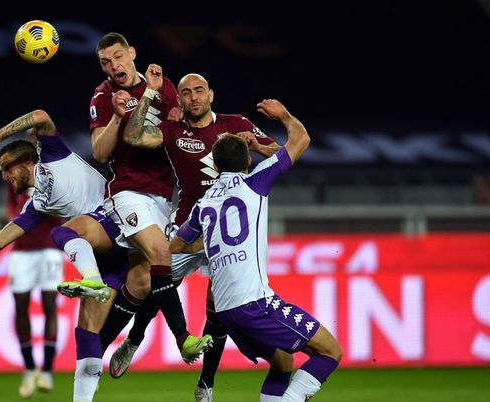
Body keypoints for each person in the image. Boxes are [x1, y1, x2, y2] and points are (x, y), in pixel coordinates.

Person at [0, 109, 128, 402]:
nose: (4, 176)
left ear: (27, 161)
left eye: (6, 168)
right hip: (105, 255)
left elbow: (41, 116)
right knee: (87, 336)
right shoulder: (37, 205)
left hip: (120, 227)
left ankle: (133, 336)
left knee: (65, 236)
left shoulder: (54, 154)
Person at [112, 68, 279, 399]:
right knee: (158, 283)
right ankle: (134, 338)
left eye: (199, 91)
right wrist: (148, 95)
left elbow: (276, 151)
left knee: (216, 307)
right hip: (188, 226)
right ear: (181, 100)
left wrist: (256, 146)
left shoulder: (237, 124)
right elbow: (132, 137)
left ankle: (206, 384)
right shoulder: (173, 129)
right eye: (186, 93)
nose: (193, 97)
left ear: (211, 94)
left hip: (228, 235)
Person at [170, 101, 343, 402]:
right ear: (247, 161)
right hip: (255, 303)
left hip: (225, 312)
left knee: (283, 362)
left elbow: (177, 245)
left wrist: (214, 242)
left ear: (215, 165)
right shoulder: (255, 182)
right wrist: (284, 116)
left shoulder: (204, 203)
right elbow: (300, 139)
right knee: (330, 352)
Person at [87, 32, 211, 361]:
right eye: (105, 63)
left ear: (132, 53)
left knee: (143, 282)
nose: (113, 66)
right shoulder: (103, 96)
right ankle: (183, 337)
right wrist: (120, 113)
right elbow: (99, 152)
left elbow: (182, 129)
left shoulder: (167, 87)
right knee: (161, 253)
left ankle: (102, 346)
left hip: (163, 196)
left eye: (117, 57)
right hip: (128, 191)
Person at [6, 187, 64, 397]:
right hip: (21, 250)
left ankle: (47, 370)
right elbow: (11, 210)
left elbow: (64, 213)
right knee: (21, 307)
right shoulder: (16, 176)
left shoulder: (52, 176)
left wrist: (44, 205)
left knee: (50, 305)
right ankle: (30, 368)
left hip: (50, 247)